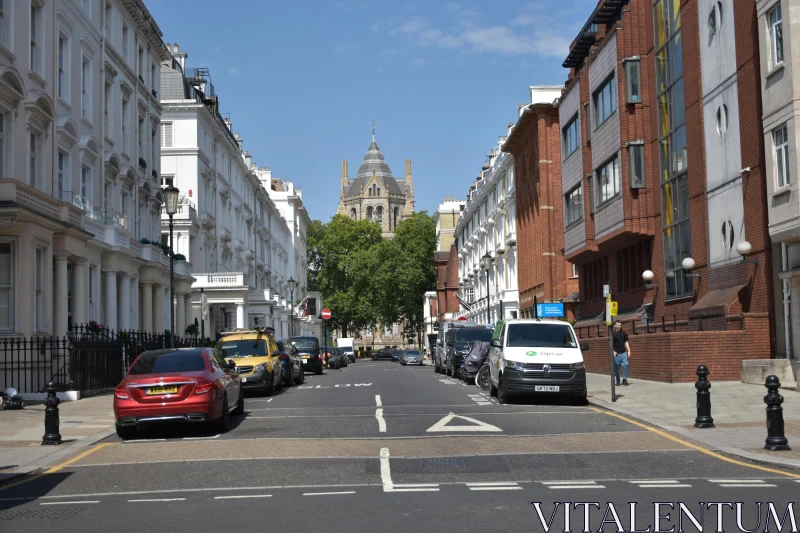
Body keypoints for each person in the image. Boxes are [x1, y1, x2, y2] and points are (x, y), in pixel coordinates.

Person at [611, 320, 631, 386]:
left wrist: (629, 351)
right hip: (616, 353)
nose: (619, 326)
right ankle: (618, 380)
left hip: (623, 352)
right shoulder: (612, 334)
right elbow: (610, 344)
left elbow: (626, 342)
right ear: (615, 326)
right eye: (618, 325)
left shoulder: (624, 333)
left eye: (620, 325)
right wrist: (613, 351)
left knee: (626, 364)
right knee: (617, 368)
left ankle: (624, 380)